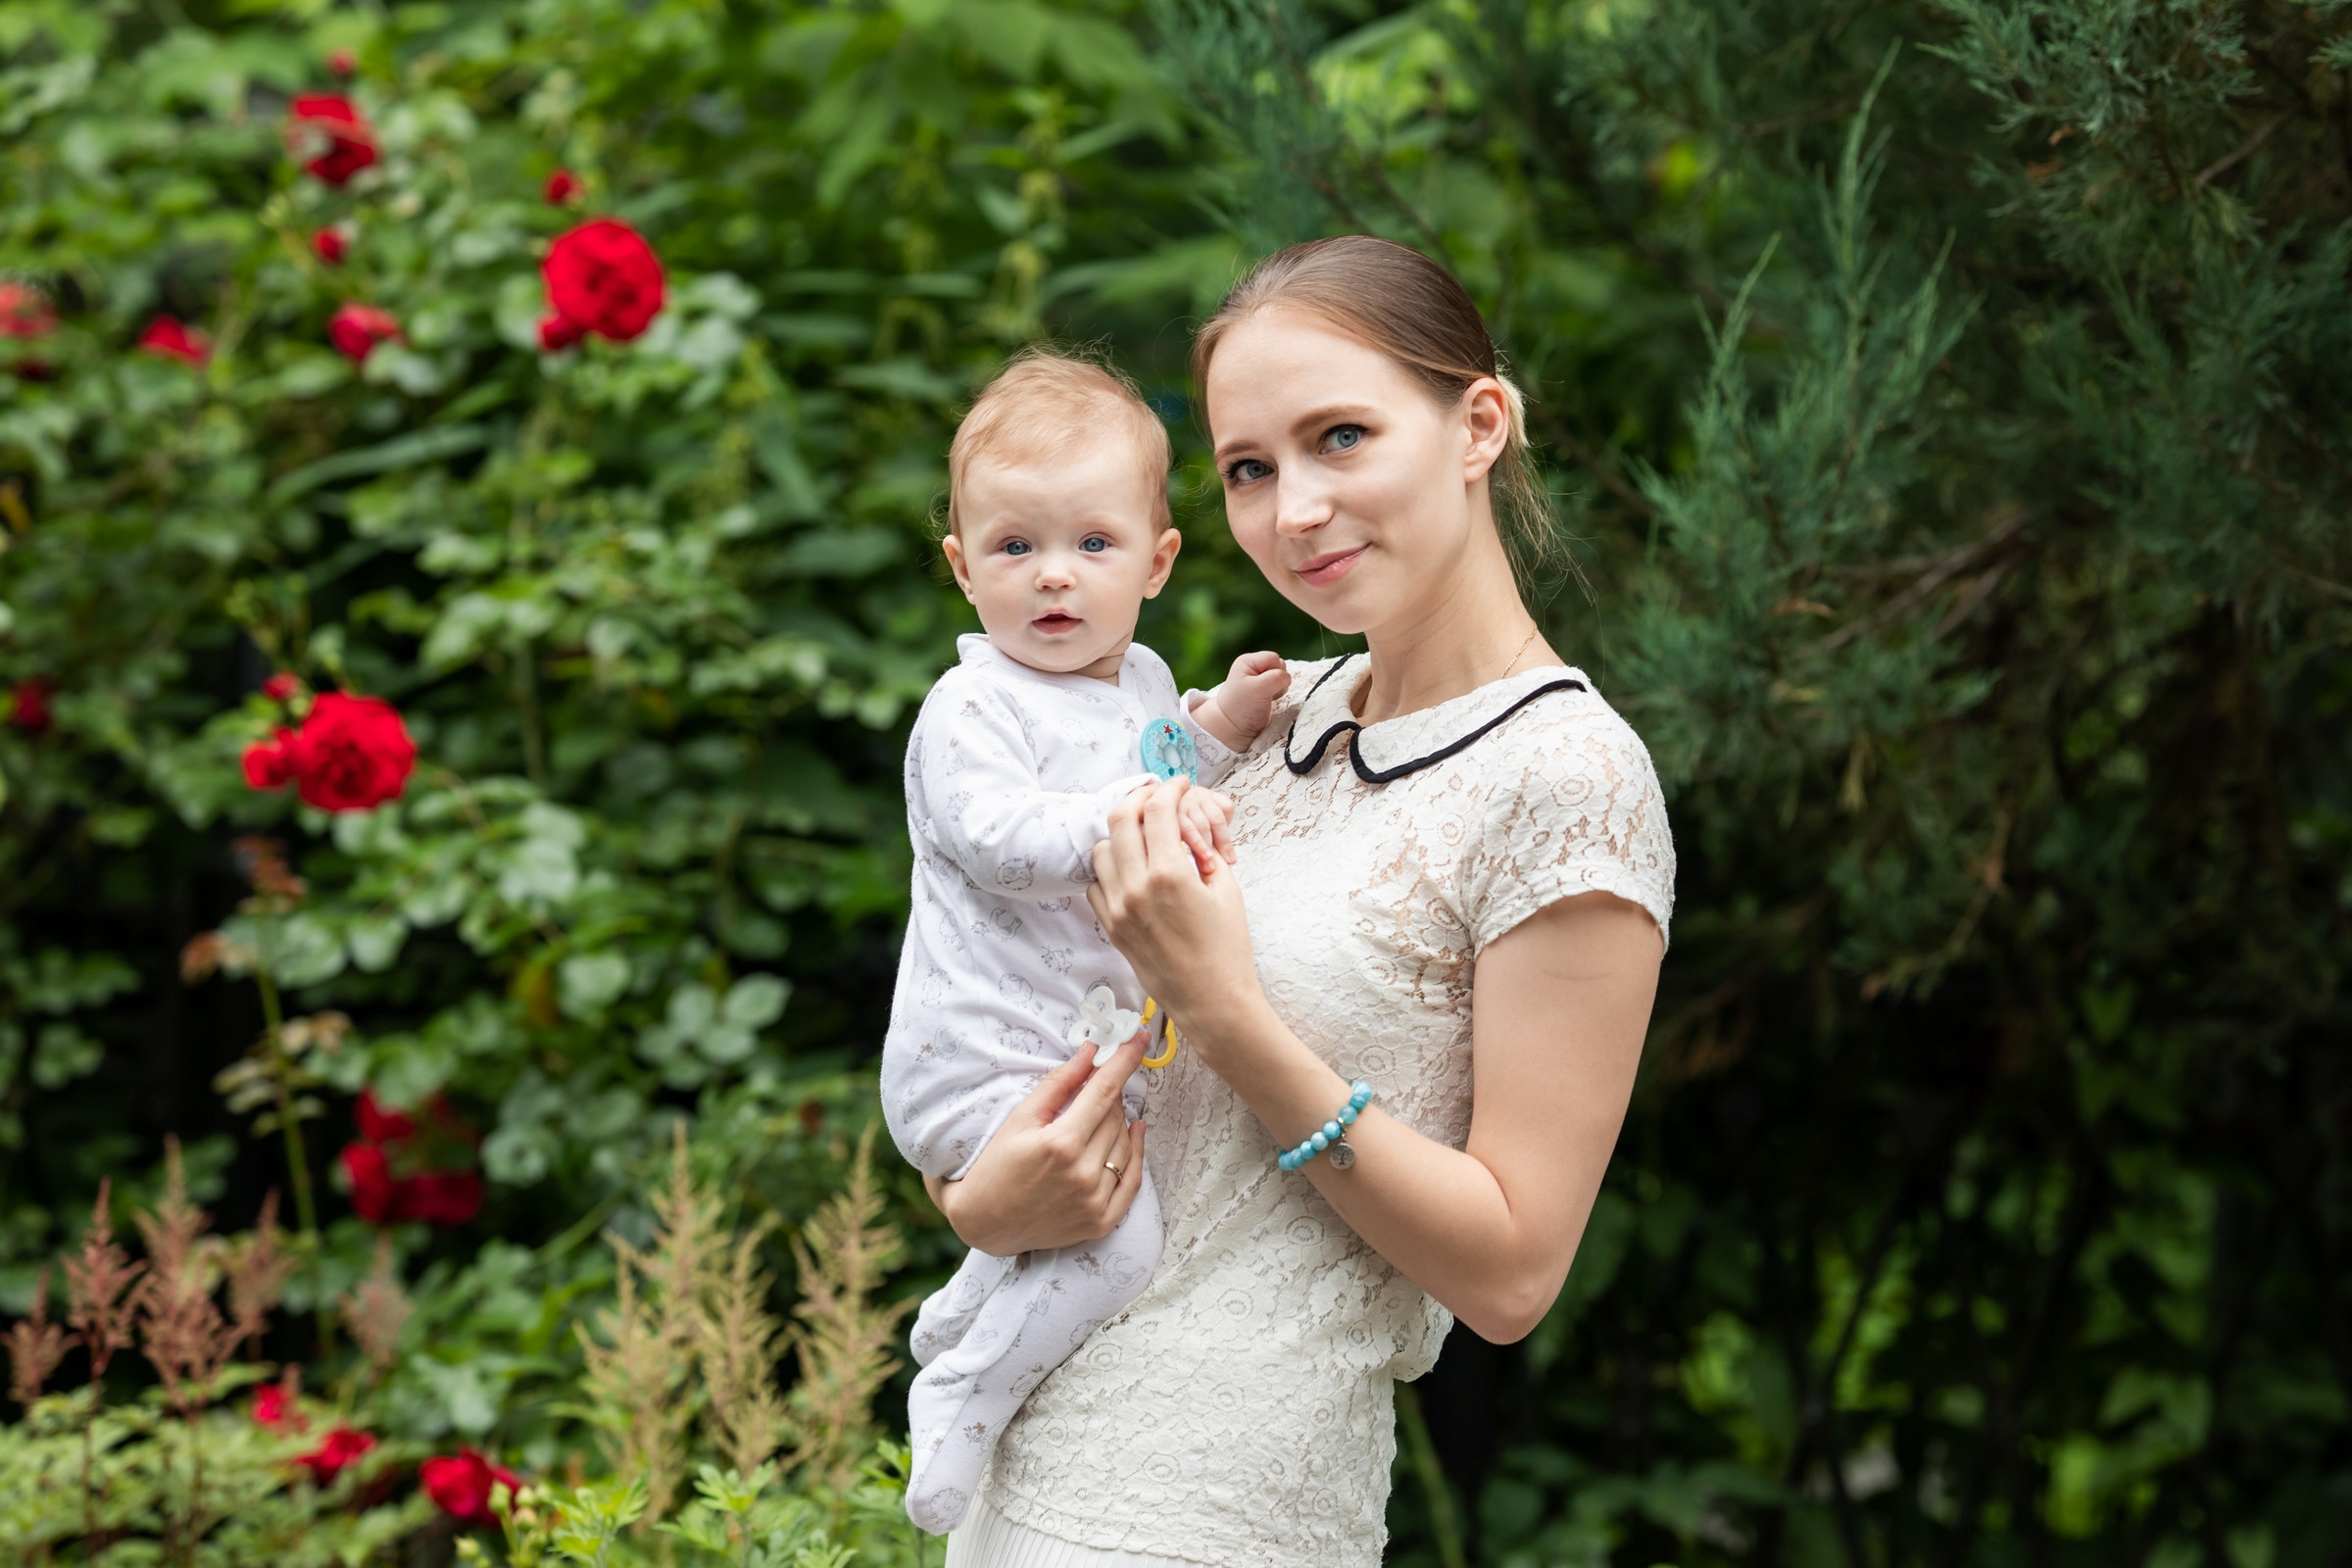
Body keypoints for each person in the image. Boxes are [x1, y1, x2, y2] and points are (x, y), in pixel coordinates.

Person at [923, 236, 1677, 1567]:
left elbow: (1510, 1275)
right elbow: (1040, 996)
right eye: (1250, 471)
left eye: (1342, 437)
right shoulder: (1270, 717)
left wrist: (1228, 1011)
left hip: (1217, 1502)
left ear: (1477, 424)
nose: (1296, 510)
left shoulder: (1569, 781)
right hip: (1026, 1457)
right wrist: (985, 1198)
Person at [880, 349, 1293, 1534]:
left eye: (1093, 545)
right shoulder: (974, 710)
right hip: (986, 1057)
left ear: (1157, 562)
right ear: (963, 569)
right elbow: (1006, 838)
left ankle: (967, 1311)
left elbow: (1151, 769)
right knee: (1118, 1248)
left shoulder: (1145, 681)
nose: (1054, 577)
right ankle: (962, 1390)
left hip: (1072, 1050)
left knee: (1096, 1223)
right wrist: (1148, 811)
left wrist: (1213, 728)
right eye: (1015, 547)